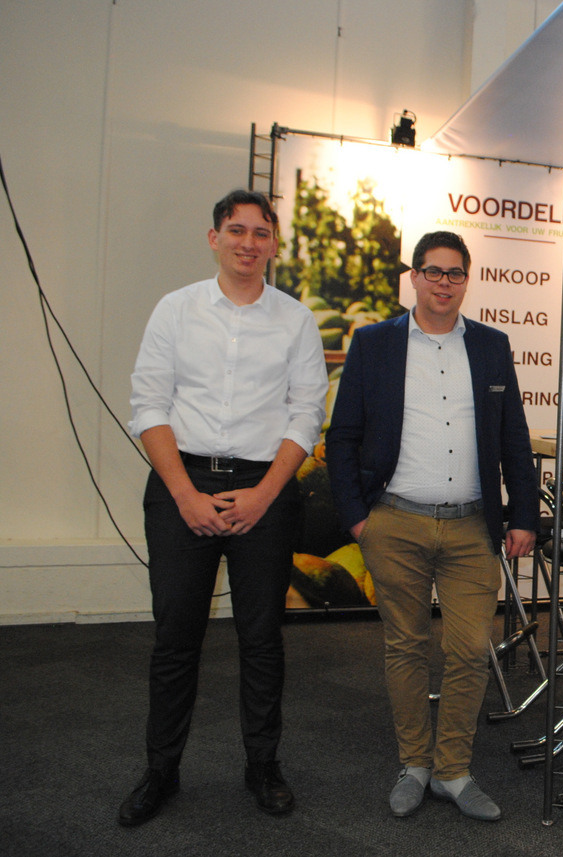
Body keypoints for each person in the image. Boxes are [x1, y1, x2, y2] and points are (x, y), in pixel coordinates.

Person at [119, 189, 328, 826]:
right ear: (214, 238)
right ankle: (160, 771)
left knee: (261, 638)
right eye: (236, 230)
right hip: (180, 483)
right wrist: (185, 495)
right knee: (175, 639)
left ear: (273, 244)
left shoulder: (296, 320)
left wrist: (264, 496)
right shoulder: (175, 309)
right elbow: (148, 405)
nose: (248, 243)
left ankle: (262, 765)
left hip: (265, 487)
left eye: (261, 233)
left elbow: (306, 414)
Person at [326, 230, 539, 822]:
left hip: (472, 528)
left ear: (467, 280)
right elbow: (342, 437)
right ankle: (415, 763)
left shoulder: (492, 346)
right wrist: (358, 520)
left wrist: (524, 515)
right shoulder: (373, 344)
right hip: (394, 524)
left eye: (455, 273)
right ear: (414, 277)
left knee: (470, 649)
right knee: (406, 646)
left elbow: (514, 438)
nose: (444, 282)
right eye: (433, 271)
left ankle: (453, 770)